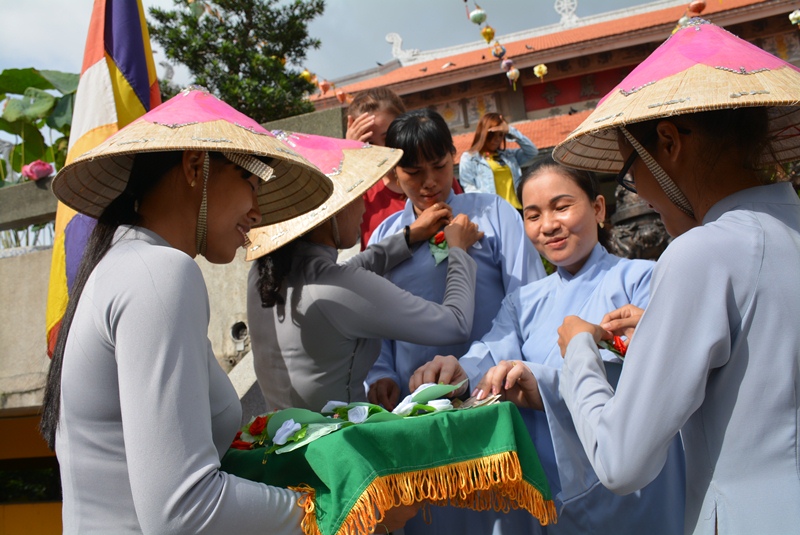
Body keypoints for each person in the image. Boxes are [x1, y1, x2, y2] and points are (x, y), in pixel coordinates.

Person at [40, 89, 416, 535]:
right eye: (252, 183)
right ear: (195, 167)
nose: (257, 212)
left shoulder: (123, 263)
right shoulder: (161, 271)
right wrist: (342, 511)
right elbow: (183, 510)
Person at [550, 20, 800, 534]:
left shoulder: (701, 253)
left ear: (668, 143)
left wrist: (578, 350)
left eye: (629, 172)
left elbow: (622, 460)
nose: (637, 192)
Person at [409, 157, 686, 534]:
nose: (548, 226)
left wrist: (543, 384)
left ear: (598, 208)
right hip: (551, 483)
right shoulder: (524, 301)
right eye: (533, 215)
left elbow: (653, 379)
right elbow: (493, 349)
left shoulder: (643, 281)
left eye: (562, 206)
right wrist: (459, 374)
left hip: (632, 485)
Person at [365, 108, 546, 535]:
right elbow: (375, 322)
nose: (430, 182)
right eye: (413, 171)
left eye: (439, 166)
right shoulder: (387, 237)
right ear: (392, 174)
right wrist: (383, 373)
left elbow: (527, 302)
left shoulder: (495, 214)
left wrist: (482, 367)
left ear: (455, 156)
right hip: (415, 412)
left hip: (492, 397)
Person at [245, 131, 483, 412]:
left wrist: (408, 236)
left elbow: (349, 273)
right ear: (330, 210)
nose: (364, 206)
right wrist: (458, 250)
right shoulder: (335, 287)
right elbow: (454, 324)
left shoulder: (264, 273)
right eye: (357, 194)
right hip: (339, 446)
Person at [346, 87, 463, 249]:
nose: (383, 150)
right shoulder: (362, 192)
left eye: (387, 138)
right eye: (369, 144)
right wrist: (347, 158)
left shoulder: (441, 178)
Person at [458, 112, 538, 209]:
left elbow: (532, 151)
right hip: (493, 211)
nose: (496, 139)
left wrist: (510, 130)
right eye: (492, 135)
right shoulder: (470, 158)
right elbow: (469, 187)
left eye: (500, 135)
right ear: (484, 134)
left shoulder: (509, 156)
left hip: (517, 210)